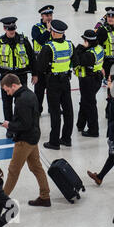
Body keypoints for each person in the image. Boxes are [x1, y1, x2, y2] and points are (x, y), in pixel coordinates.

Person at [0, 74, 52, 207]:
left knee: (13, 170)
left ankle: (0, 200)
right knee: (36, 167)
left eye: (7, 90)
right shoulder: (29, 94)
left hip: (25, 140)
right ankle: (45, 197)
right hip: (33, 136)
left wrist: (9, 125)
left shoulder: (21, 100)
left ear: (14, 85)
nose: (8, 93)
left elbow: (24, 124)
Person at [0, 17, 38, 138]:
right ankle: (9, 127)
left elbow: (32, 58)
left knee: (22, 103)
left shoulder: (24, 41)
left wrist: (35, 74)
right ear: (4, 28)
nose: (11, 31)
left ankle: (20, 126)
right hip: (6, 77)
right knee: (7, 103)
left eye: (13, 29)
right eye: (9, 29)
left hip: (21, 76)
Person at [37, 20, 77, 150]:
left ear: (53, 32)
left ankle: (54, 142)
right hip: (66, 81)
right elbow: (75, 62)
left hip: (53, 82)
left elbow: (41, 67)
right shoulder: (70, 45)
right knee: (68, 111)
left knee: (55, 112)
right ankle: (66, 138)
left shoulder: (48, 47)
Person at [74, 30, 104, 137]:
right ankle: (80, 124)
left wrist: (80, 47)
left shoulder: (88, 54)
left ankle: (93, 130)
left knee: (90, 105)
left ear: (87, 41)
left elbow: (76, 59)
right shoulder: (99, 48)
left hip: (88, 81)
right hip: (97, 78)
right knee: (85, 101)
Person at [31, 5, 54, 114]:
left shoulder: (56, 27)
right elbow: (40, 40)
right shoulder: (36, 28)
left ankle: (52, 108)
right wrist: (48, 31)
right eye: (46, 15)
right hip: (39, 64)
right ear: (42, 16)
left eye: (50, 15)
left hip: (52, 64)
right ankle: (37, 110)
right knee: (39, 91)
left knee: (53, 90)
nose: (49, 17)